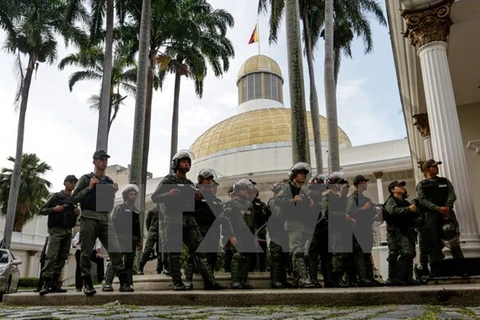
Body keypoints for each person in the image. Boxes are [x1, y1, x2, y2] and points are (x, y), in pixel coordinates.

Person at [151, 150, 224, 291]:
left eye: (188, 162)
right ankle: (177, 282)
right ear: (176, 164)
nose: (187, 163)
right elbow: (155, 197)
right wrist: (169, 194)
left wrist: (197, 197)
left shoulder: (190, 183)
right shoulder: (169, 180)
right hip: (173, 219)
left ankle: (209, 281)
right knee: (174, 252)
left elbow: (195, 204)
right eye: (184, 161)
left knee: (199, 251)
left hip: (190, 220)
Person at [71, 150, 129, 295]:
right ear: (94, 161)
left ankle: (123, 282)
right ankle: (87, 283)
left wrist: (113, 191)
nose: (104, 162)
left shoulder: (108, 181)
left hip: (105, 217)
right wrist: (89, 187)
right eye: (101, 159)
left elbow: (107, 201)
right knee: (85, 252)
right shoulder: (86, 178)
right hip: (89, 217)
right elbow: (74, 198)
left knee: (115, 249)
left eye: (106, 159)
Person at [416, 159, 464, 276]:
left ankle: (462, 267)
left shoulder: (444, 181)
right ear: (427, 169)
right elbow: (422, 201)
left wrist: (447, 207)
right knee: (434, 243)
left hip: (447, 213)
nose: (437, 168)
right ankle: (437, 270)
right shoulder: (422, 185)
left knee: (453, 239)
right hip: (432, 216)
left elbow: (451, 194)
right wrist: (437, 208)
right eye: (434, 166)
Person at [275, 162, 317, 288]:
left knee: (301, 252)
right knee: (298, 251)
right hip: (293, 222)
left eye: (304, 174)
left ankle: (297, 278)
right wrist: (292, 200)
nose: (303, 176)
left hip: (303, 222)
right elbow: (277, 200)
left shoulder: (303, 189)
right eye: (300, 173)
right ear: (294, 175)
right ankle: (304, 278)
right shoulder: (288, 187)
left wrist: (309, 203)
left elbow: (307, 203)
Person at [38, 175, 80, 295]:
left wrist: (77, 212)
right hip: (56, 230)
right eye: (70, 182)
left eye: (74, 183)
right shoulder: (56, 196)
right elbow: (42, 210)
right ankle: (46, 282)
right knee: (51, 256)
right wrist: (54, 209)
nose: (72, 184)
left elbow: (75, 213)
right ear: (65, 183)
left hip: (68, 231)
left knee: (62, 257)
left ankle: (55, 283)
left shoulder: (73, 199)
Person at [103, 185, 141, 292]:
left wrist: (138, 240)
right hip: (119, 239)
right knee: (115, 261)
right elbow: (112, 223)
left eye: (135, 194)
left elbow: (137, 226)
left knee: (129, 263)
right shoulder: (119, 208)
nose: (133, 196)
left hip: (132, 240)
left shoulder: (135, 211)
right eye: (131, 194)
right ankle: (107, 283)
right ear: (126, 195)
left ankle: (128, 284)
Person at [347, 175, 382, 287]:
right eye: (363, 182)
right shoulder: (353, 198)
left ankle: (369, 277)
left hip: (366, 229)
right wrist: (363, 209)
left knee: (367, 253)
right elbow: (349, 213)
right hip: (358, 230)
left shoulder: (366, 199)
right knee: (360, 254)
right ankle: (363, 277)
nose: (366, 184)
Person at [222, 179, 258, 289]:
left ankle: (243, 281)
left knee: (247, 257)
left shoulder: (249, 204)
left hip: (248, 235)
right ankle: (236, 281)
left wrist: (255, 236)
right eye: (242, 189)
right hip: (237, 233)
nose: (245, 191)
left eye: (246, 189)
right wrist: (231, 235)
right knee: (237, 256)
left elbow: (254, 221)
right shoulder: (230, 202)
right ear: (237, 190)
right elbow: (226, 219)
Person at [384, 180, 420, 285]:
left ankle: (408, 277)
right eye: (398, 186)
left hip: (409, 231)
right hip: (397, 231)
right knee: (402, 253)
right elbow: (393, 211)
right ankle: (399, 278)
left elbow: (417, 215)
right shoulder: (391, 200)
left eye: (402, 186)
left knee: (410, 254)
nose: (402, 188)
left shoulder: (406, 202)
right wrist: (408, 209)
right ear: (393, 190)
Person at [324, 172, 353, 287]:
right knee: (338, 252)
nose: (339, 185)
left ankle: (341, 277)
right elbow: (326, 212)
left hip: (343, 228)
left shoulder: (340, 197)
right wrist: (342, 215)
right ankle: (336, 278)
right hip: (333, 228)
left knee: (344, 253)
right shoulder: (327, 197)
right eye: (337, 183)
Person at [307, 175, 333, 288]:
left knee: (326, 256)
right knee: (313, 256)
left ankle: (329, 280)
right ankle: (313, 279)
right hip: (313, 230)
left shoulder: (322, 199)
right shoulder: (309, 198)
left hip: (324, 230)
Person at [266, 182, 291, 289]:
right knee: (276, 257)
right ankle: (275, 280)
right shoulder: (273, 201)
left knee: (284, 257)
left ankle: (283, 280)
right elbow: (278, 214)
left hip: (284, 232)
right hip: (276, 233)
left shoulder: (284, 201)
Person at [138, 206, 164, 275]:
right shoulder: (152, 211)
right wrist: (150, 230)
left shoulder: (165, 210)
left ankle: (159, 269)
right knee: (147, 250)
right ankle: (140, 267)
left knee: (160, 251)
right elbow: (147, 223)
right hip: (152, 232)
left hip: (161, 232)